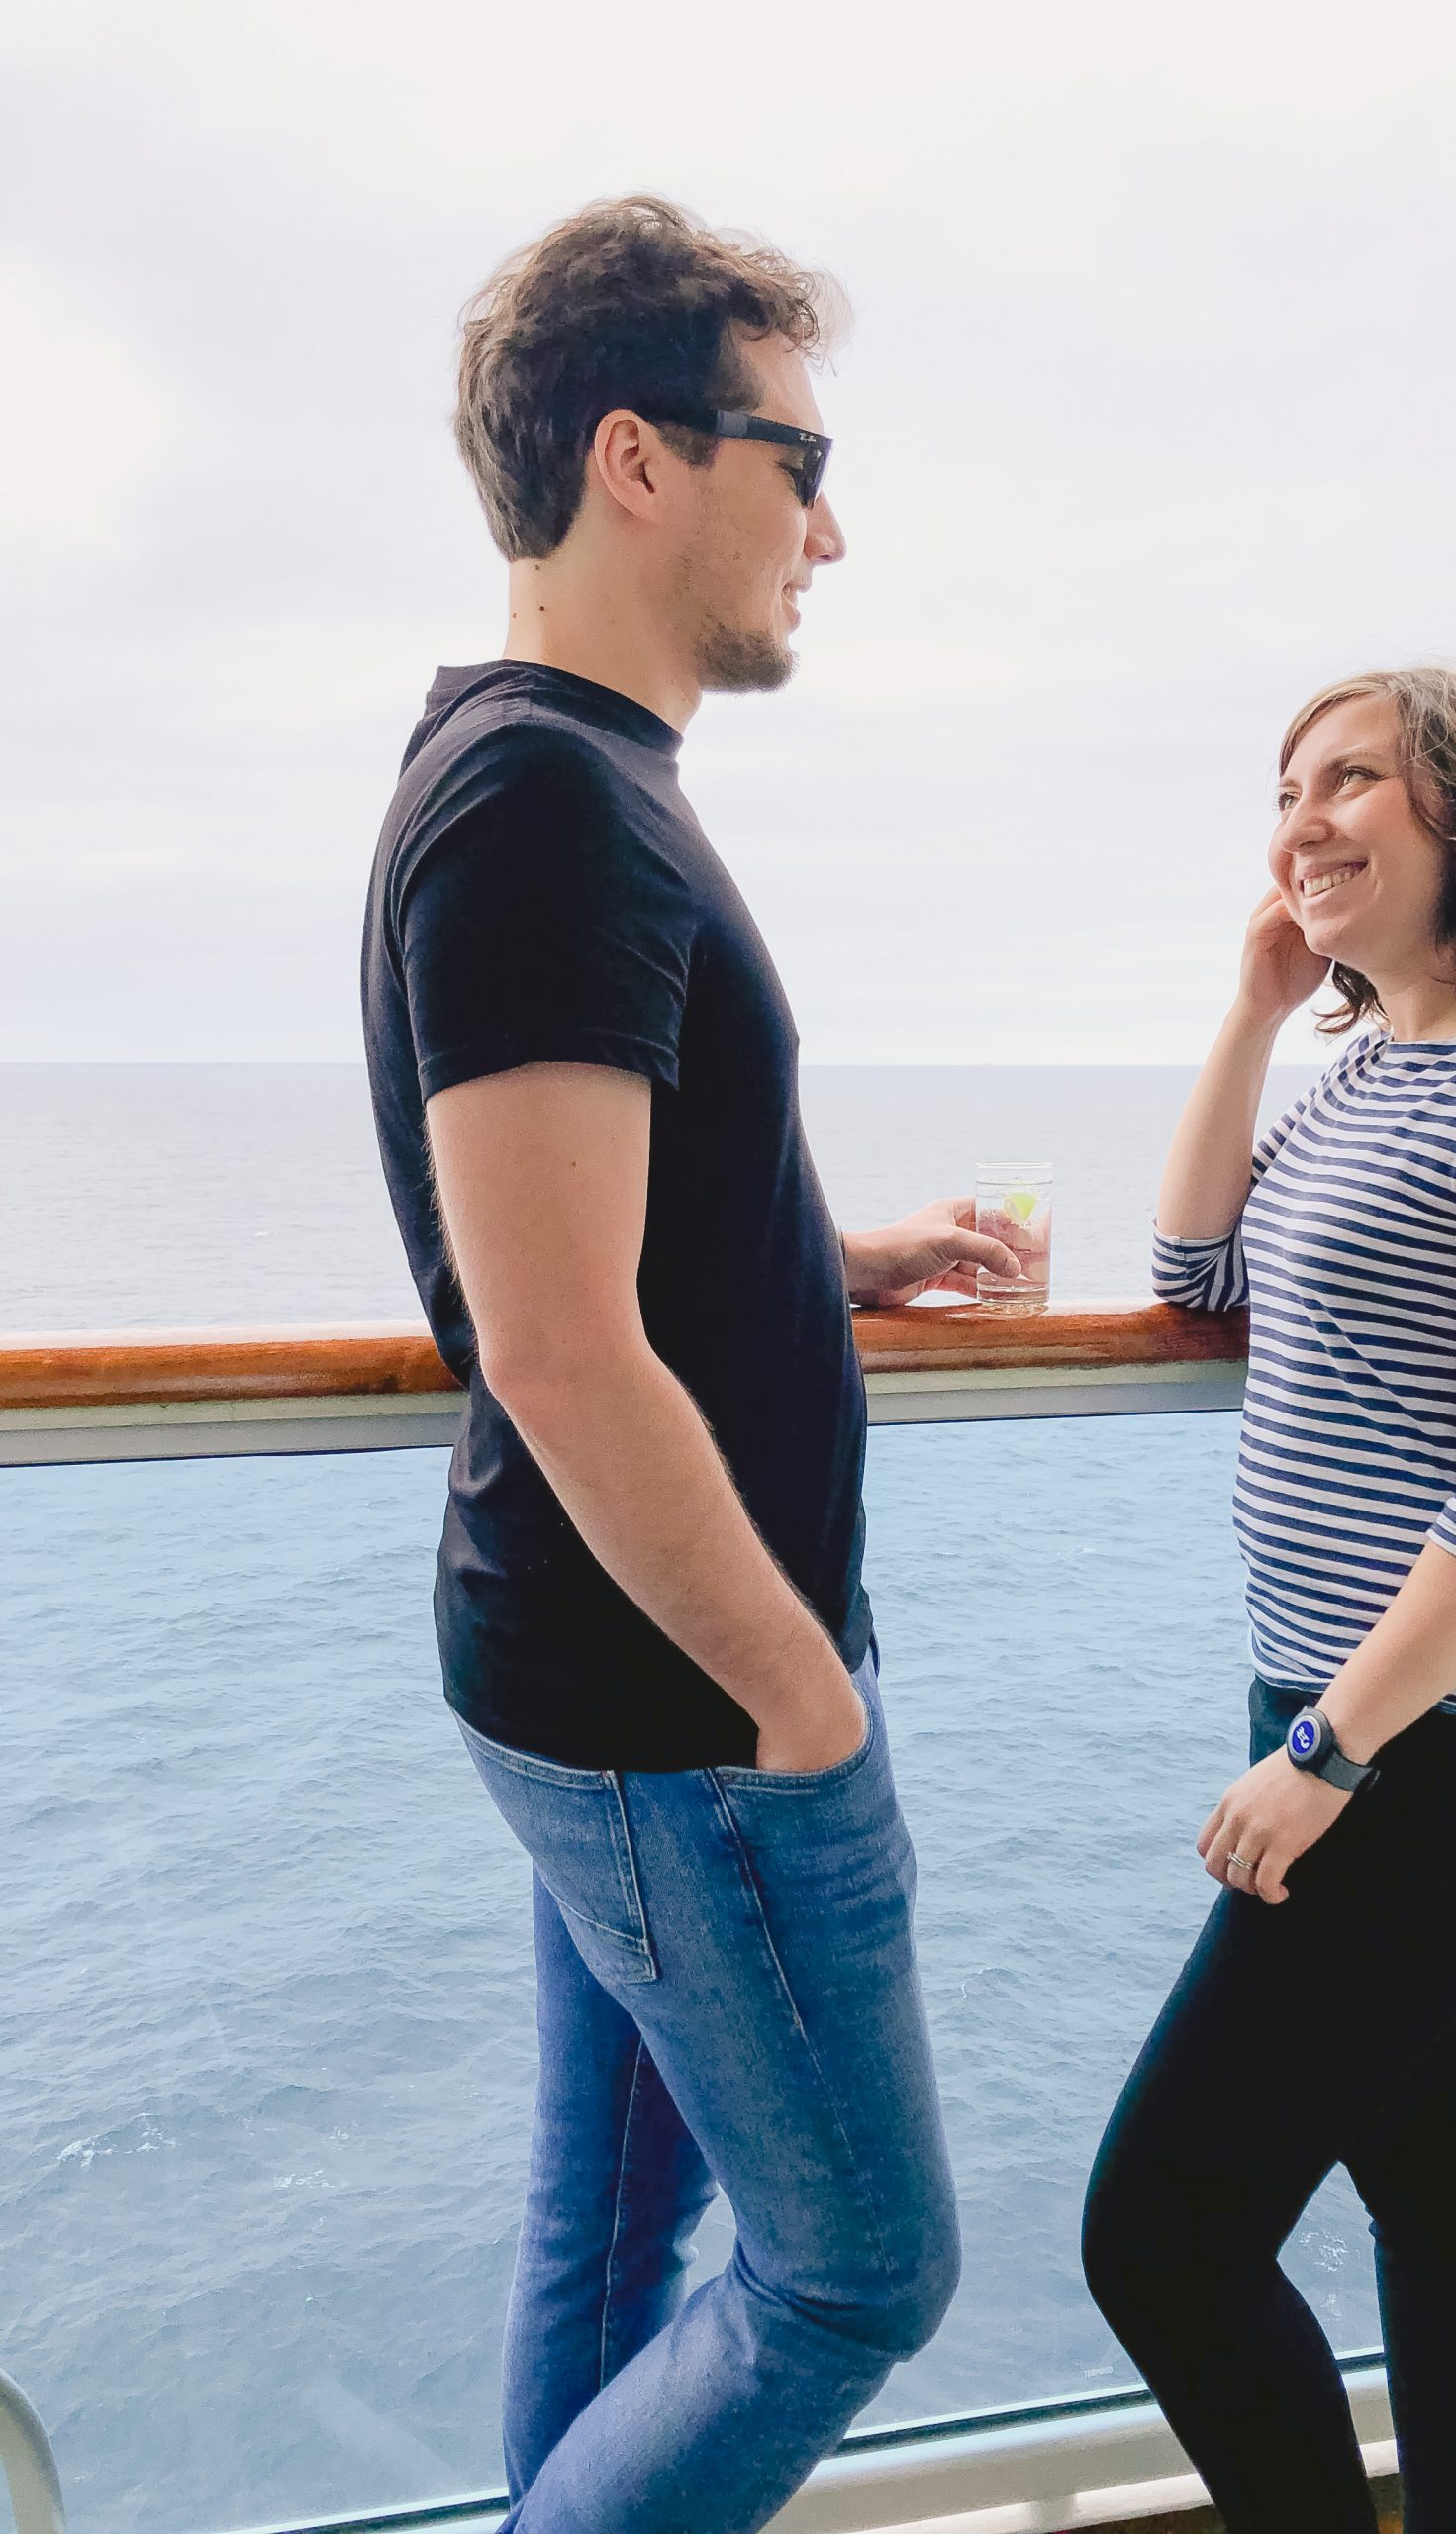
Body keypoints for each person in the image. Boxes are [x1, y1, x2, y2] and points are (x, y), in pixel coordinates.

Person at [360, 196, 1018, 2534]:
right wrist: (801, 1702)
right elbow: (550, 1336)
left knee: (615, 2216)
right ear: (638, 459)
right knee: (858, 2271)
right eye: (796, 461)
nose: (830, 528)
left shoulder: (557, 775)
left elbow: (592, 1224)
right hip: (684, 1715)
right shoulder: (548, 804)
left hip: (618, 1688)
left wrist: (832, 1251)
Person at [1081, 667, 1456, 2534]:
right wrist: (1252, 1014)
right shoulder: (1368, 1076)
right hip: (1353, 1727)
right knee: (1430, 2194)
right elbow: (1190, 1267)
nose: (1304, 817)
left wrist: (1330, 1745)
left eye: (1357, 782)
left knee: (1160, 2236)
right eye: (1287, 788)